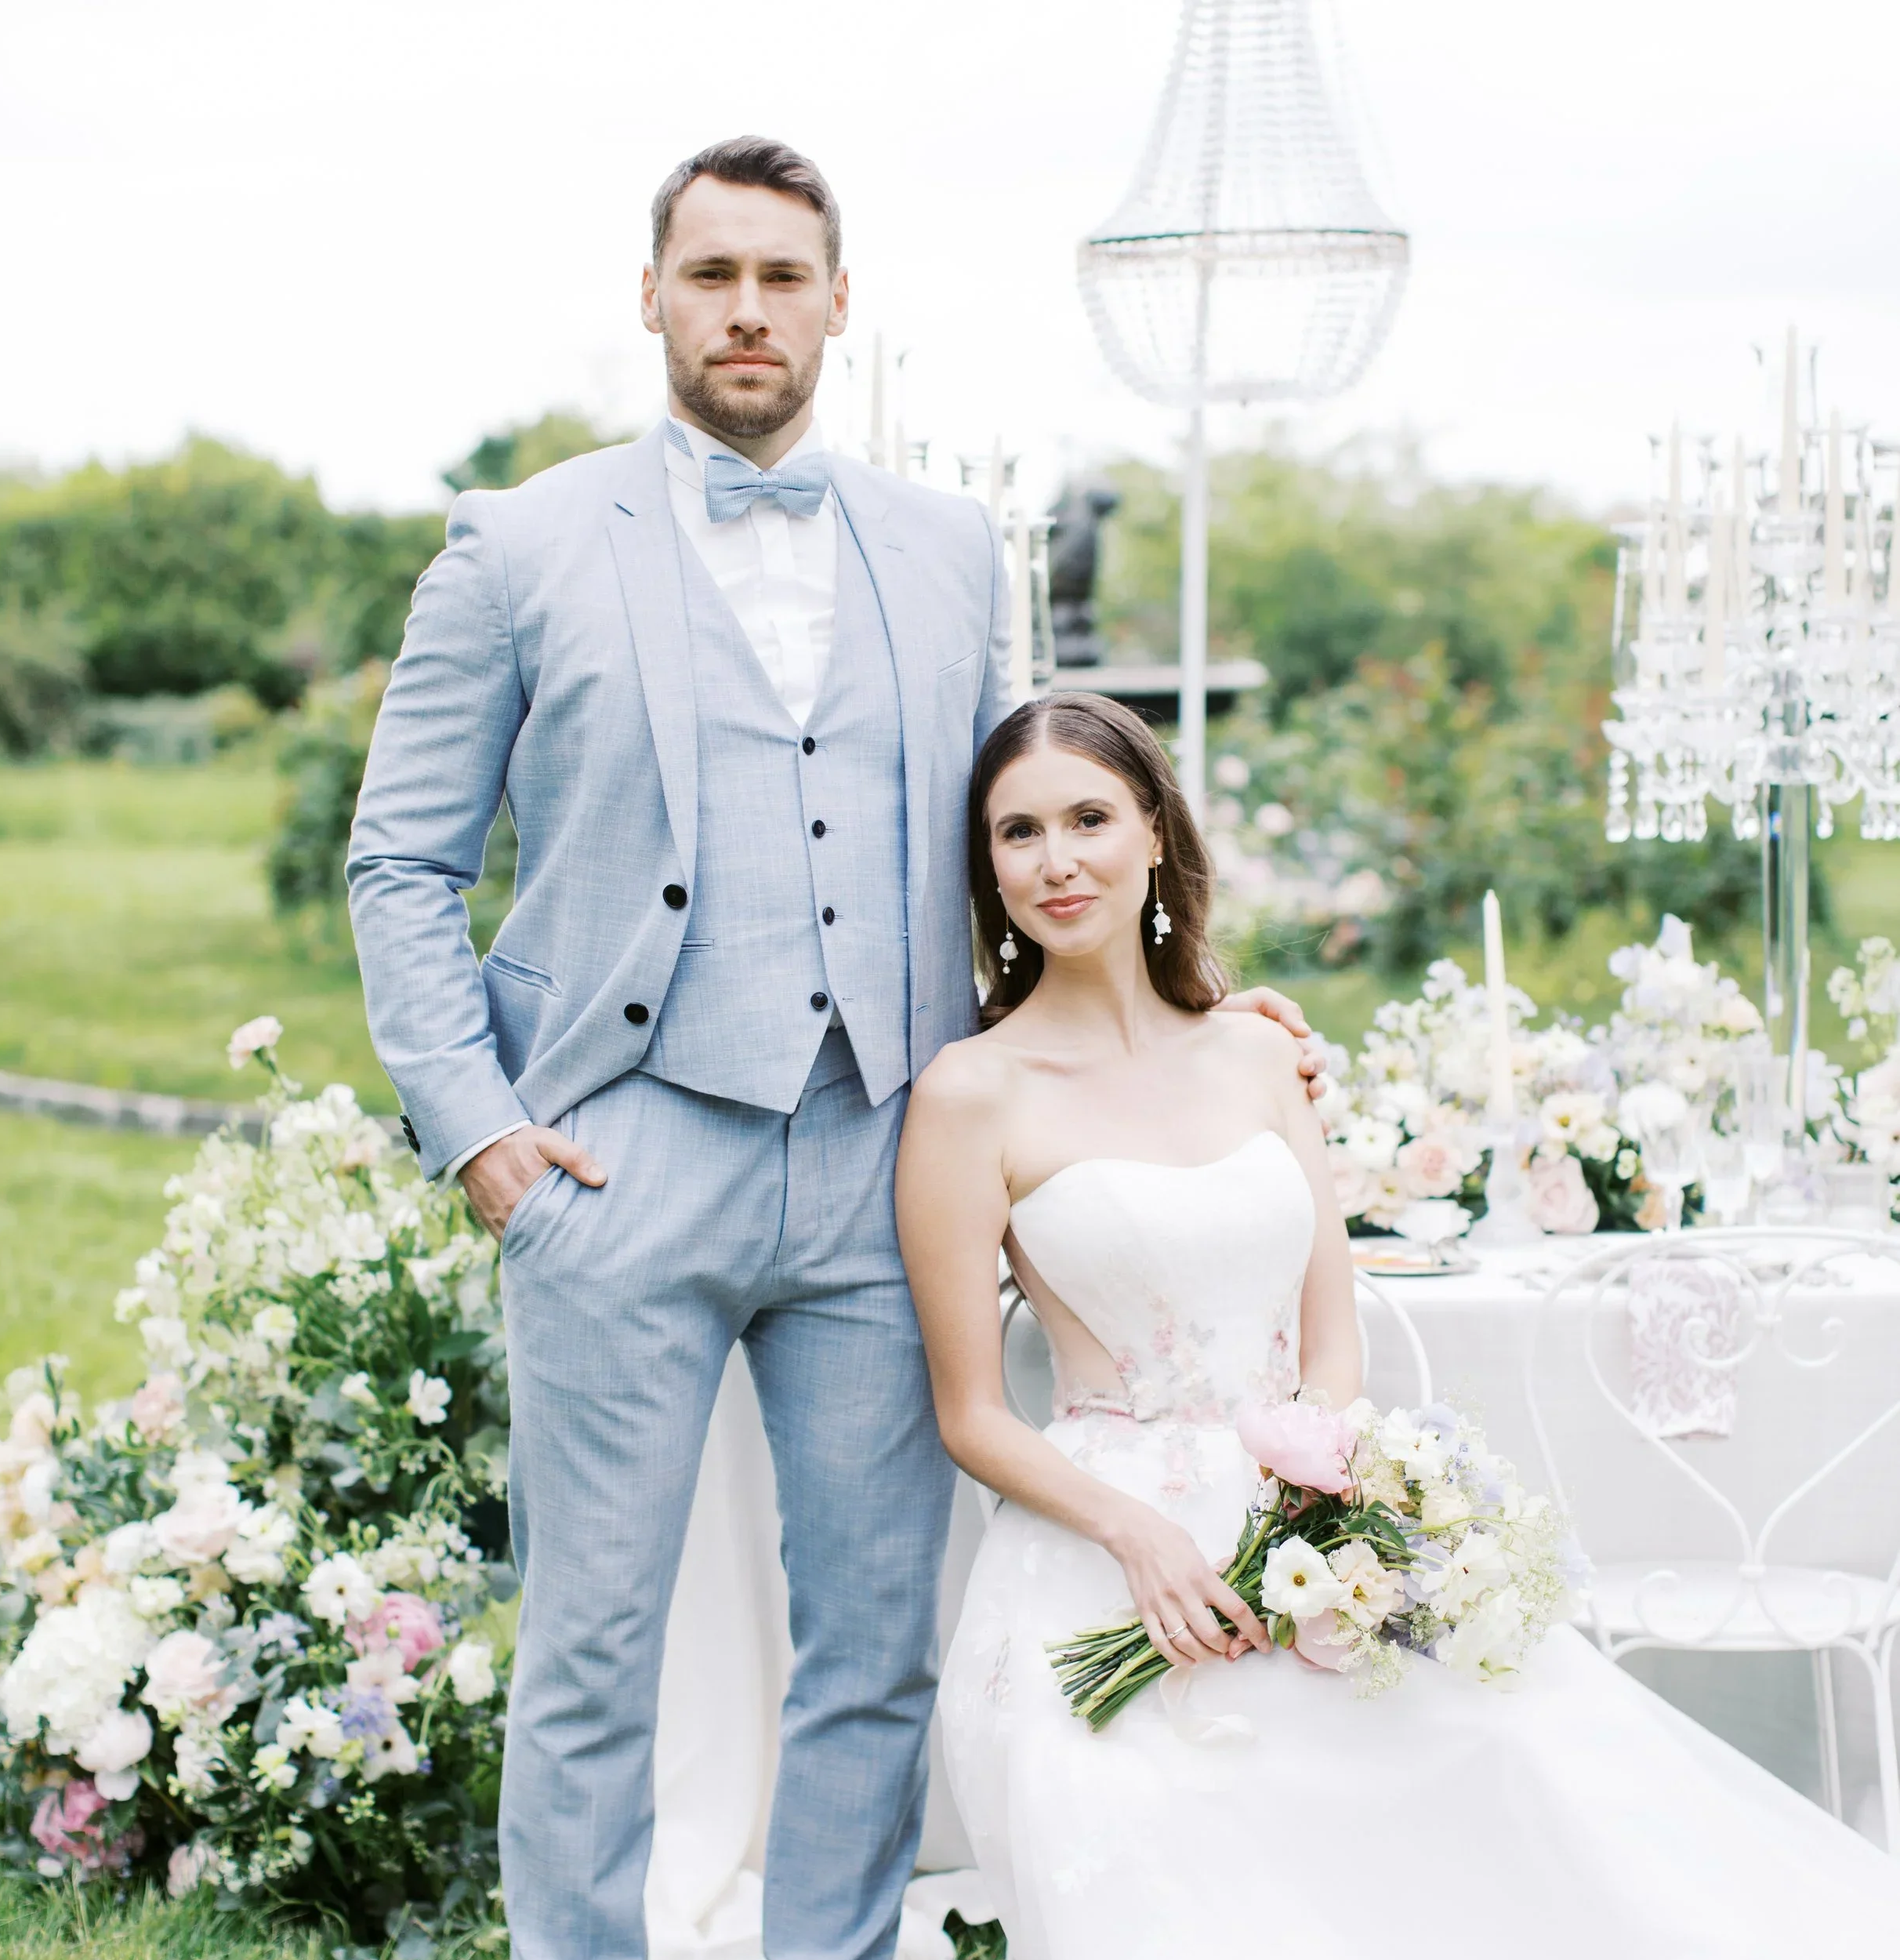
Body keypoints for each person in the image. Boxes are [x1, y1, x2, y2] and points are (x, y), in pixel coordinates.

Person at [347, 140, 1318, 1960]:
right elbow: (397, 859)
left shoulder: (945, 549)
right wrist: (479, 1127)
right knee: (591, 1648)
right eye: (708, 274)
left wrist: (1195, 1009)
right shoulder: (521, 541)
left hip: (887, 1167)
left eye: (781, 277)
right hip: (613, 1159)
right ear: (649, 295)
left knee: (870, 1642)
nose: (744, 310)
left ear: (838, 303)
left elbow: (1032, 840)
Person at [896, 691, 1900, 1960]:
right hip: (1108, 1542)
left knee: (1512, 1761)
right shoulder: (969, 1092)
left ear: (1154, 831)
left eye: (1089, 818)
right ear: (987, 870)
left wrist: (1323, 1502)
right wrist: (1143, 1537)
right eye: (1018, 833)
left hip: (1307, 1499)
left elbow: (1331, 1326)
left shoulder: (1258, 1053)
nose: (1057, 861)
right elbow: (971, 1411)